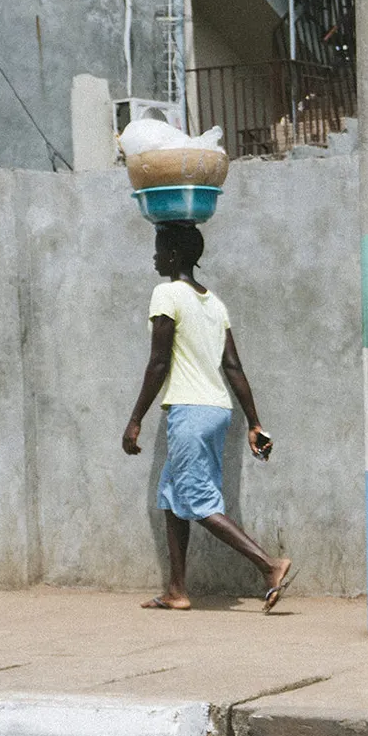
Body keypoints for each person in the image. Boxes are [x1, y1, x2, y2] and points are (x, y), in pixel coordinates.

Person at [122, 221, 294, 612]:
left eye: (158, 249)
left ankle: (269, 565)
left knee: (197, 501)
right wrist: (254, 422)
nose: (153, 257)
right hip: (217, 409)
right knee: (171, 496)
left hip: (190, 411)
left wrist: (135, 419)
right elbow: (233, 367)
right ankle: (177, 590)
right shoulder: (214, 304)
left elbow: (159, 361)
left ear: (173, 256)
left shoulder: (166, 293)